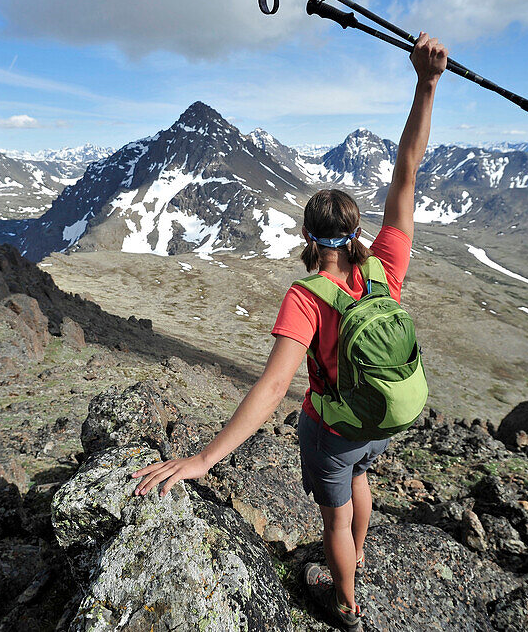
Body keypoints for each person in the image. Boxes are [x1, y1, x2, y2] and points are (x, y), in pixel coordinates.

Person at [133, 32, 447, 628]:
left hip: (334, 426)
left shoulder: (306, 297)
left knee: (333, 518)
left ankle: (347, 602)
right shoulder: (386, 266)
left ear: (308, 239)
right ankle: (361, 543)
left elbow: (275, 388)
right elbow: (407, 174)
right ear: (356, 233)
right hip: (386, 414)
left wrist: (205, 458)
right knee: (361, 474)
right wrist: (425, 84)